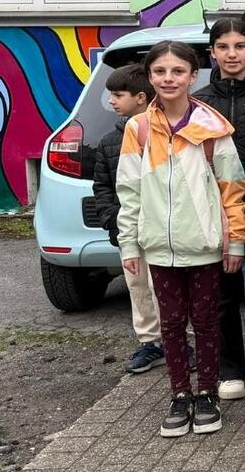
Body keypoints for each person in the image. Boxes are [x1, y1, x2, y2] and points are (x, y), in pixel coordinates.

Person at [116, 42, 245, 438]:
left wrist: (236, 240)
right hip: (158, 247)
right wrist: (129, 243)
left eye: (177, 71)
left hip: (205, 246)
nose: (168, 79)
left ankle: (207, 394)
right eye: (160, 72)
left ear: (194, 76)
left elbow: (232, 188)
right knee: (171, 326)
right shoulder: (138, 129)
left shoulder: (213, 127)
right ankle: (179, 395)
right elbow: (129, 191)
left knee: (207, 323)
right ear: (149, 77)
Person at [193, 19, 245, 401]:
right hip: (213, 211)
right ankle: (229, 368)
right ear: (212, 52)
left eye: (239, 46)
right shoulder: (199, 101)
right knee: (223, 293)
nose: (232, 54)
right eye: (224, 47)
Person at [93, 64, 167, 376]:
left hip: (163, 229)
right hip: (129, 229)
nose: (111, 100)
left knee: (164, 287)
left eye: (117, 94)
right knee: (137, 285)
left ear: (141, 98)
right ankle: (151, 342)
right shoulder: (110, 141)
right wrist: (113, 219)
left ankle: (178, 340)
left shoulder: (162, 132)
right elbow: (104, 186)